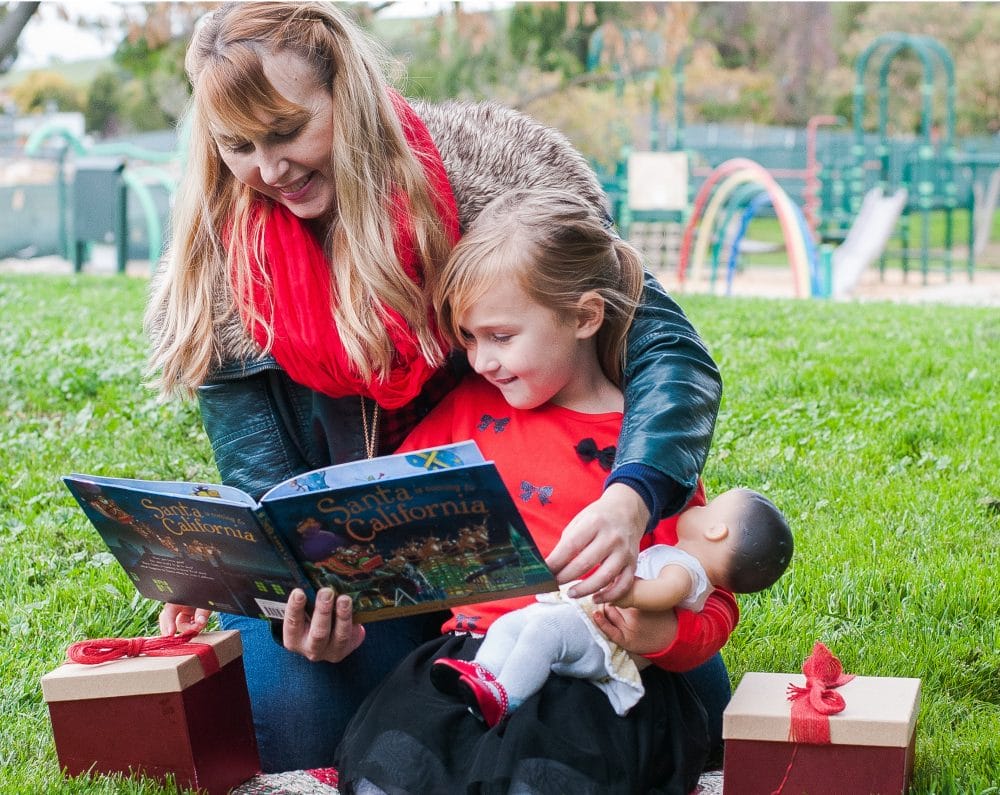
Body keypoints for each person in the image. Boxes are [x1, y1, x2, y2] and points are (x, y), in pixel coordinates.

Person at [145, 1, 726, 772]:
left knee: (653, 721)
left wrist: (631, 498)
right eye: (238, 146)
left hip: (555, 548)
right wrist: (303, 593)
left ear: (346, 93)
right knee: (299, 738)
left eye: (286, 131)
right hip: (373, 583)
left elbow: (668, 350)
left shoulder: (497, 177)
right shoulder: (224, 264)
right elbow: (264, 487)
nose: (269, 169)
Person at [334, 188, 740, 794]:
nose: (480, 362)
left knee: (545, 779)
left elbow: (713, 597)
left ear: (583, 317)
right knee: (394, 764)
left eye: (500, 336)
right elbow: (380, 506)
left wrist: (666, 638)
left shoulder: (640, 451)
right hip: (474, 657)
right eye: (468, 339)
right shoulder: (467, 410)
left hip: (593, 677)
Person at [432, 487, 792, 727]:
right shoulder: (682, 559)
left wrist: (627, 593)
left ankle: (506, 696)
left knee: (543, 633)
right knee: (512, 625)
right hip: (587, 616)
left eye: (709, 507)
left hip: (599, 634)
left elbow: (665, 593)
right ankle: (482, 673)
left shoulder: (686, 572)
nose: (699, 504)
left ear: (716, 530)